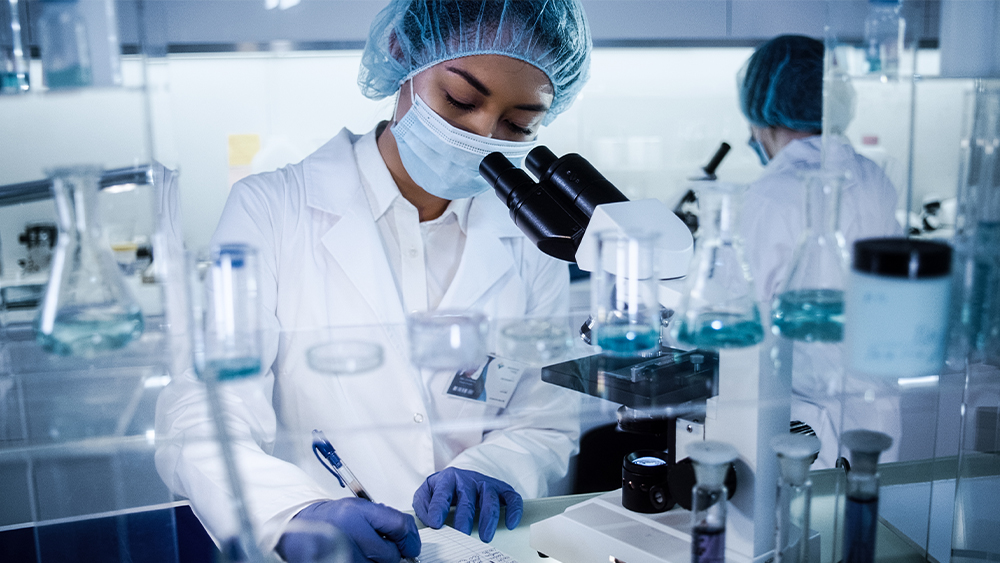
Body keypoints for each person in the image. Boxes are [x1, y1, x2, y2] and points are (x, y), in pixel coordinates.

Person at [154, 1, 592, 561]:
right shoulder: (272, 208)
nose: (482, 134)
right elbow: (204, 406)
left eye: (517, 124)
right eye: (460, 99)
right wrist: (291, 513)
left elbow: (546, 419)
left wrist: (489, 470)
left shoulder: (536, 237)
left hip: (476, 550)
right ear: (401, 55)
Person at [736, 35, 903, 468]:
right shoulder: (872, 177)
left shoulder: (772, 193)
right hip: (875, 407)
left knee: (801, 530)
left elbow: (743, 314)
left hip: (802, 415)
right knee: (863, 527)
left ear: (761, 116)